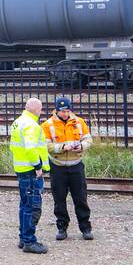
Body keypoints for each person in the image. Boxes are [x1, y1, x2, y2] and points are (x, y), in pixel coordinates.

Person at [41, 97, 94, 241]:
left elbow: (88, 139)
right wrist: (62, 147)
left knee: (81, 198)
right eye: (63, 111)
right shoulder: (47, 125)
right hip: (58, 167)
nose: (65, 113)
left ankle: (86, 228)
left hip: (76, 165)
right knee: (59, 199)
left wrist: (82, 146)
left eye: (67, 110)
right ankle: (62, 227)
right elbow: (46, 146)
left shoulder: (79, 122)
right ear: (56, 110)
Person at [10, 98, 50, 254]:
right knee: (32, 206)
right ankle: (29, 241)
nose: (41, 112)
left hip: (21, 169)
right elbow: (31, 148)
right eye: (40, 109)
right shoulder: (31, 125)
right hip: (31, 170)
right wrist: (38, 166)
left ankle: (23, 237)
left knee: (24, 205)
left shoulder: (18, 121)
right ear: (35, 109)